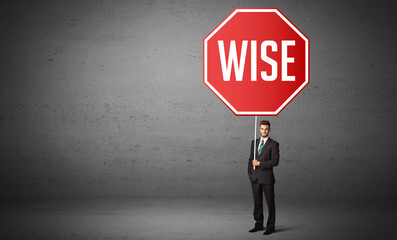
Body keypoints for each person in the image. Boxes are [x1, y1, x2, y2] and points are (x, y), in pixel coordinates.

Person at [248, 120, 279, 235]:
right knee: (257, 202)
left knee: (270, 203)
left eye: (266, 129)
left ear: (269, 129)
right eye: (262, 129)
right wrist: (249, 173)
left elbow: (275, 161)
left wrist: (260, 163)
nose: (264, 131)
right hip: (255, 178)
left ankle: (271, 226)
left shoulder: (274, 144)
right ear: (259, 129)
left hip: (267, 179)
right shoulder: (254, 142)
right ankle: (259, 224)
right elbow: (250, 158)